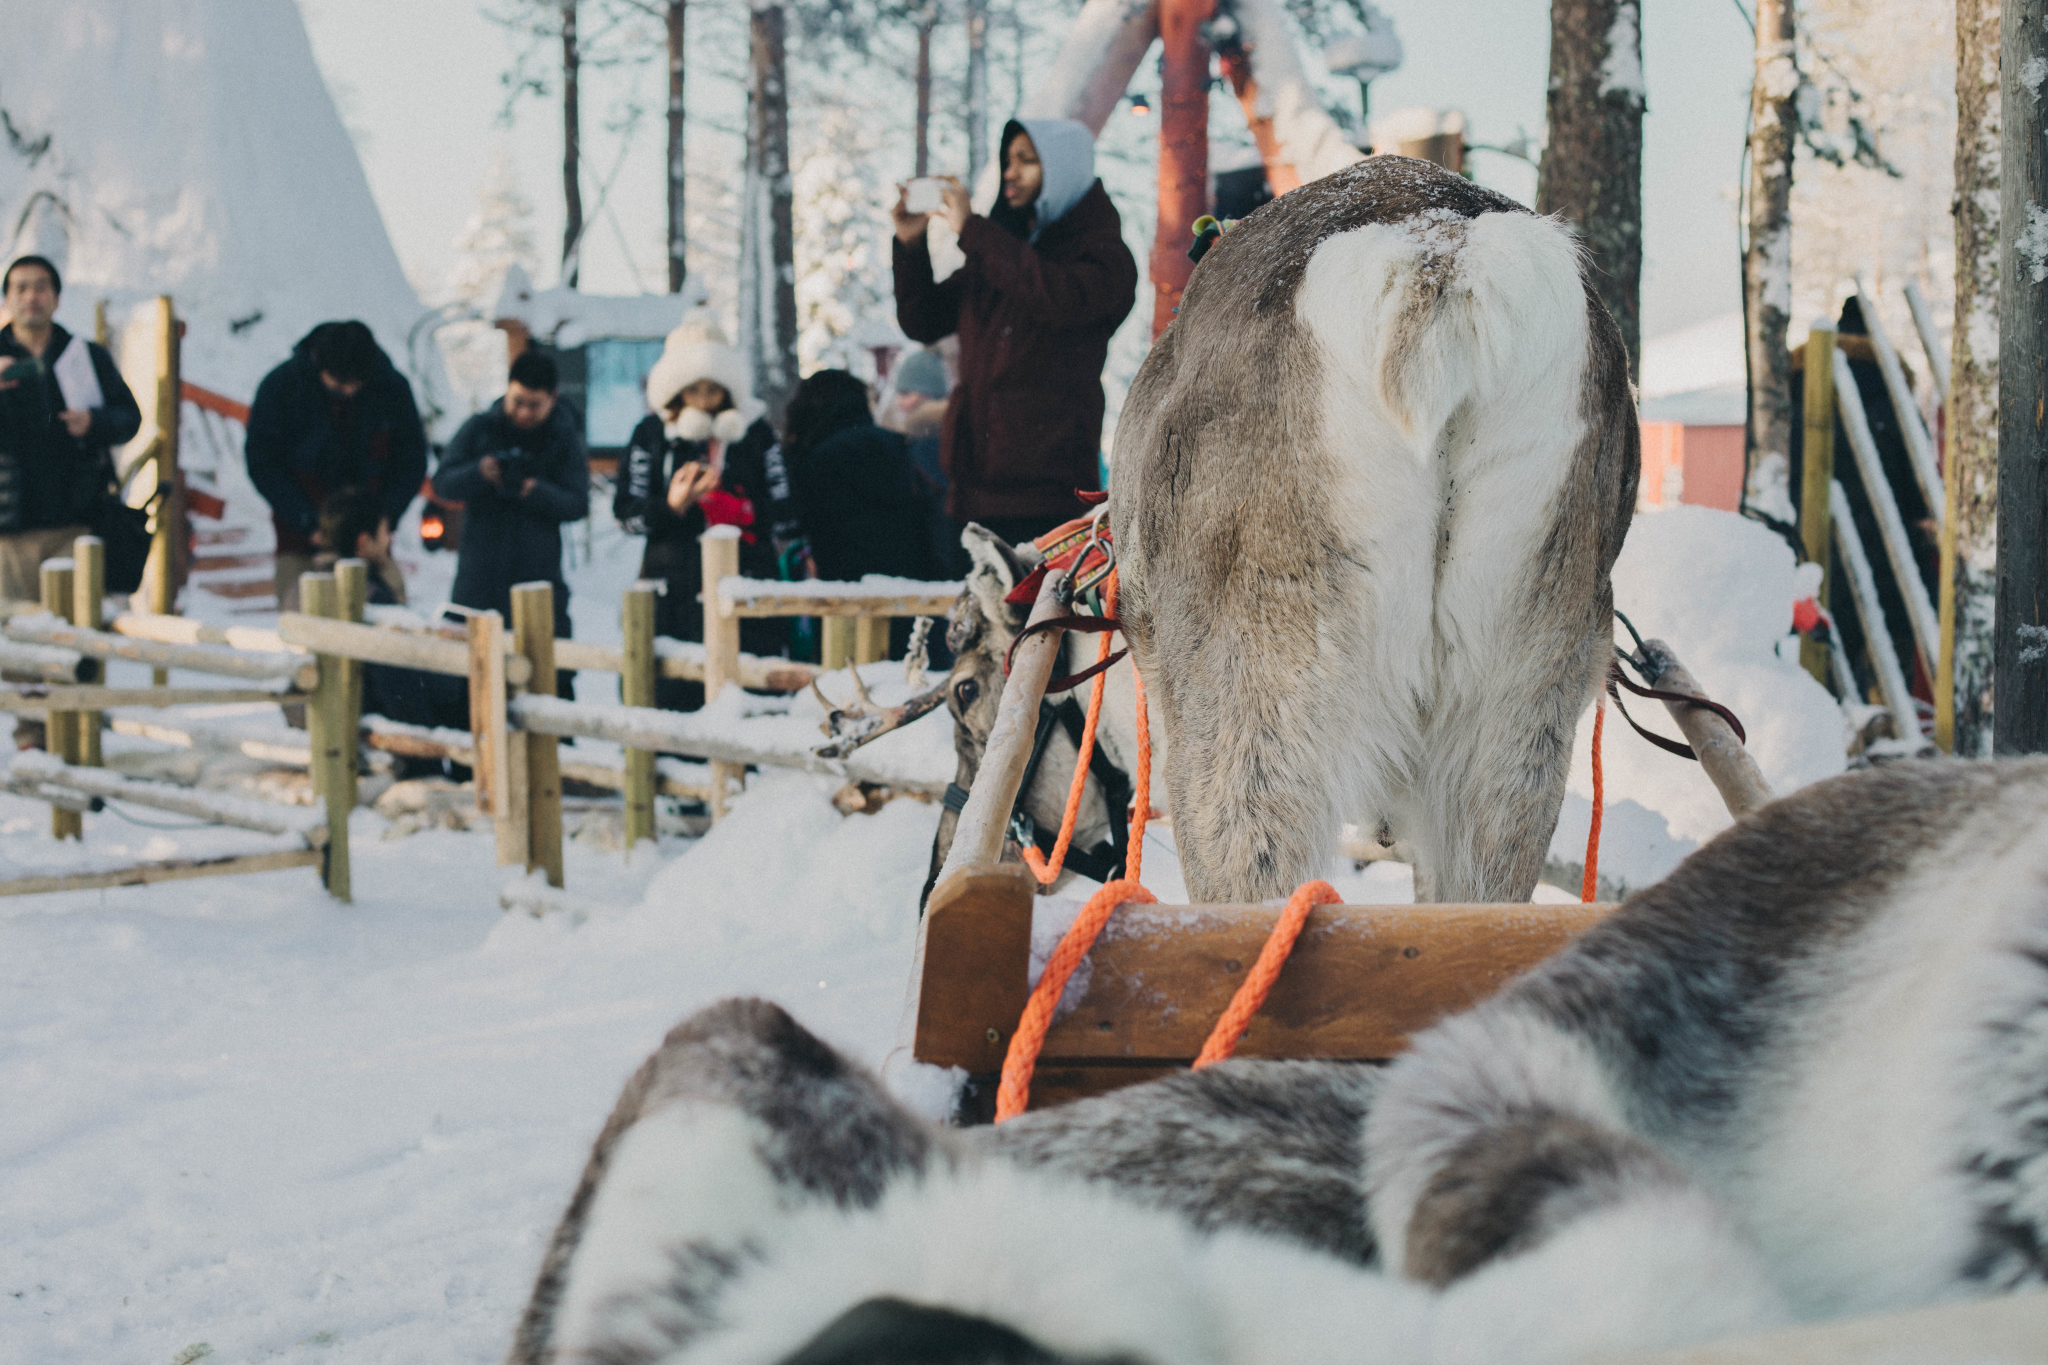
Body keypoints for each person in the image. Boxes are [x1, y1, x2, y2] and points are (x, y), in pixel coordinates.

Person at [892, 118, 1137, 560]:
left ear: (1061, 168)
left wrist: (975, 231)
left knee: (1040, 628)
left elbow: (1056, 298)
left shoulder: (1104, 258)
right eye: (1008, 160)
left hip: (1049, 496)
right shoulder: (999, 255)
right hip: (971, 489)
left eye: (1026, 160)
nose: (1010, 172)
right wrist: (910, 245)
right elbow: (924, 322)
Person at [616, 310, 791, 709]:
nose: (705, 400)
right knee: (672, 697)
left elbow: (785, 511)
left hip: (747, 586)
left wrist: (741, 509)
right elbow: (627, 513)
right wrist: (672, 506)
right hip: (672, 593)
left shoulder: (756, 432)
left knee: (749, 695)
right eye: (694, 389)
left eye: (714, 389)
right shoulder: (651, 435)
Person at [431, 349, 588, 689]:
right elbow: (443, 483)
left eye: (535, 405)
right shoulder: (480, 428)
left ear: (553, 399)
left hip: (539, 577)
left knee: (549, 677)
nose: (524, 413)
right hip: (478, 577)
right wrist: (479, 472)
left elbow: (578, 503)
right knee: (467, 677)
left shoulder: (563, 437)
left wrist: (537, 491)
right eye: (517, 401)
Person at [246, 319, 427, 612]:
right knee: (304, 620)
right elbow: (262, 462)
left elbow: (411, 460)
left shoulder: (391, 388)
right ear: (319, 366)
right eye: (340, 384)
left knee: (390, 616)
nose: (349, 391)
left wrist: (384, 520)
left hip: (369, 541)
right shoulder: (283, 386)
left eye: (356, 385)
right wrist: (304, 519)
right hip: (302, 537)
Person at [0, 255, 142, 602]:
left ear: (56, 298)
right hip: (9, 533)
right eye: (21, 288)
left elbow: (129, 418)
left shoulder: (85, 356)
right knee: (16, 648)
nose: (31, 296)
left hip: (76, 525)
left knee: (78, 639)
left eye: (40, 287)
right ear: (7, 299)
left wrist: (94, 422)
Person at [314, 486, 438, 731]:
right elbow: (399, 688)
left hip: (322, 720)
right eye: (384, 532)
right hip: (361, 726)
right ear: (363, 541)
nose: (389, 539)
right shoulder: (372, 598)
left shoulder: (305, 588)